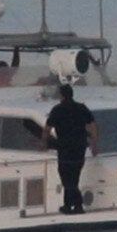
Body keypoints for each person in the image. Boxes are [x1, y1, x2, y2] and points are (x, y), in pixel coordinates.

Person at [43, 83, 98, 214]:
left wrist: (44, 142)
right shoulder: (81, 108)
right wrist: (95, 144)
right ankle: (68, 205)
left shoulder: (57, 110)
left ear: (61, 95)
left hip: (65, 148)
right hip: (80, 147)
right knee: (74, 176)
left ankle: (77, 204)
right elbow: (93, 125)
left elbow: (47, 129)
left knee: (66, 177)